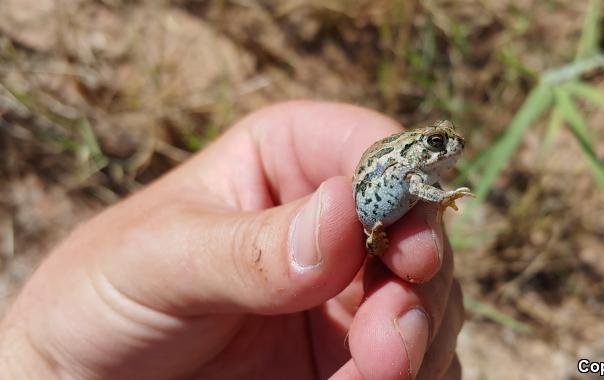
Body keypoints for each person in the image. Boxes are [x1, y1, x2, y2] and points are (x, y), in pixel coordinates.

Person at [0, 102, 463, 379]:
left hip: (366, 233)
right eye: (439, 143)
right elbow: (414, 186)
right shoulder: (407, 164)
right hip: (358, 220)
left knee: (404, 296)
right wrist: (43, 362)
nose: (448, 148)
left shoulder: (409, 165)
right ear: (421, 147)